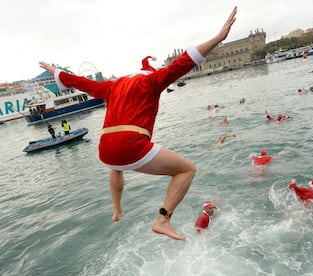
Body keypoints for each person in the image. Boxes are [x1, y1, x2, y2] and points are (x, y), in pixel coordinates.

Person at [39, 6, 237, 241]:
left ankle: (116, 208)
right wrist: (217, 38)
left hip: (105, 149)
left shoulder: (114, 85)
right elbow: (184, 62)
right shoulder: (152, 80)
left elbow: (81, 82)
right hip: (130, 144)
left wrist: (57, 72)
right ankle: (163, 219)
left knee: (116, 166)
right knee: (187, 170)